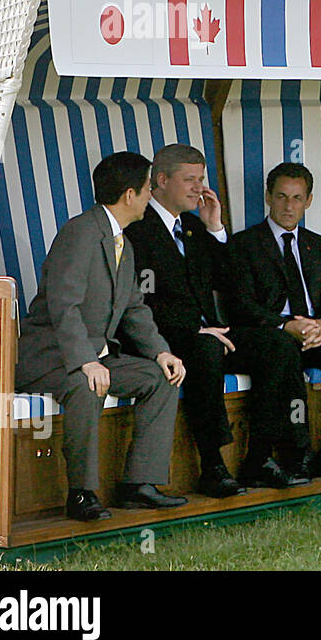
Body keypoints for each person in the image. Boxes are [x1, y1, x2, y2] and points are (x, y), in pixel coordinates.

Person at [126, 143, 310, 497]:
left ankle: (259, 458)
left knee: (278, 344)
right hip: (166, 338)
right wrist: (196, 329)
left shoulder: (193, 227)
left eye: (201, 179)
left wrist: (215, 229)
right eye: (190, 180)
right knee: (206, 349)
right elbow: (138, 302)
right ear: (161, 180)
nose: (199, 187)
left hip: (209, 331)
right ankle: (212, 465)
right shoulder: (137, 228)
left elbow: (227, 283)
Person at [15, 151, 188, 521]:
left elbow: (134, 308)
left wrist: (161, 353)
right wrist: (87, 361)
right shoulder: (81, 233)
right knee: (85, 385)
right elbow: (65, 305)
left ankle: (139, 484)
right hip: (50, 355)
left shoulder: (121, 240)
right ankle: (81, 494)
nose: (149, 198)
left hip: (93, 355)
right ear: (129, 194)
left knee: (161, 378)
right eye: (146, 190)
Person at [227, 162, 321, 482]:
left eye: (297, 198)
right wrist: (284, 326)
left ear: (309, 201)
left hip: (314, 333)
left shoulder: (318, 246)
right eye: (281, 196)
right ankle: (298, 455)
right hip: (272, 335)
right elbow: (239, 305)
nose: (288, 206)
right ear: (268, 197)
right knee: (284, 348)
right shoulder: (244, 244)